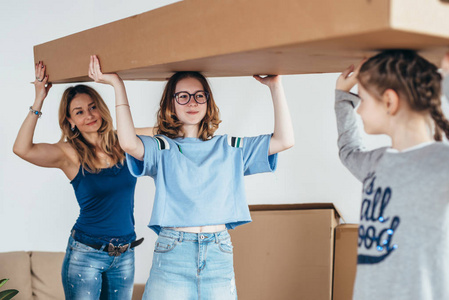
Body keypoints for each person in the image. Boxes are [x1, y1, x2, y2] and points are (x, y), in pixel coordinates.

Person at [88, 54, 294, 299]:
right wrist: (118, 86)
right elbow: (128, 143)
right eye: (183, 96)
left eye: (199, 95)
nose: (192, 102)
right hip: (174, 251)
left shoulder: (230, 146)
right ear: (171, 103)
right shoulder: (162, 147)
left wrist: (275, 86)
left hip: (219, 253)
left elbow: (284, 140)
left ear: (208, 101)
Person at [13, 61, 147, 300]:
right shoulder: (69, 154)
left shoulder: (124, 142)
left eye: (93, 107)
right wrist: (38, 99)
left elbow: (167, 130)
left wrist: (117, 84)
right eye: (79, 112)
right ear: (70, 121)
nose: (89, 115)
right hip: (86, 254)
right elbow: (22, 149)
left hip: (125, 254)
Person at [334, 50, 449, 299]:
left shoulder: (441, 163)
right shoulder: (378, 162)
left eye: (362, 100)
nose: (360, 110)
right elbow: (349, 152)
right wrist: (343, 98)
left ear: (389, 101)